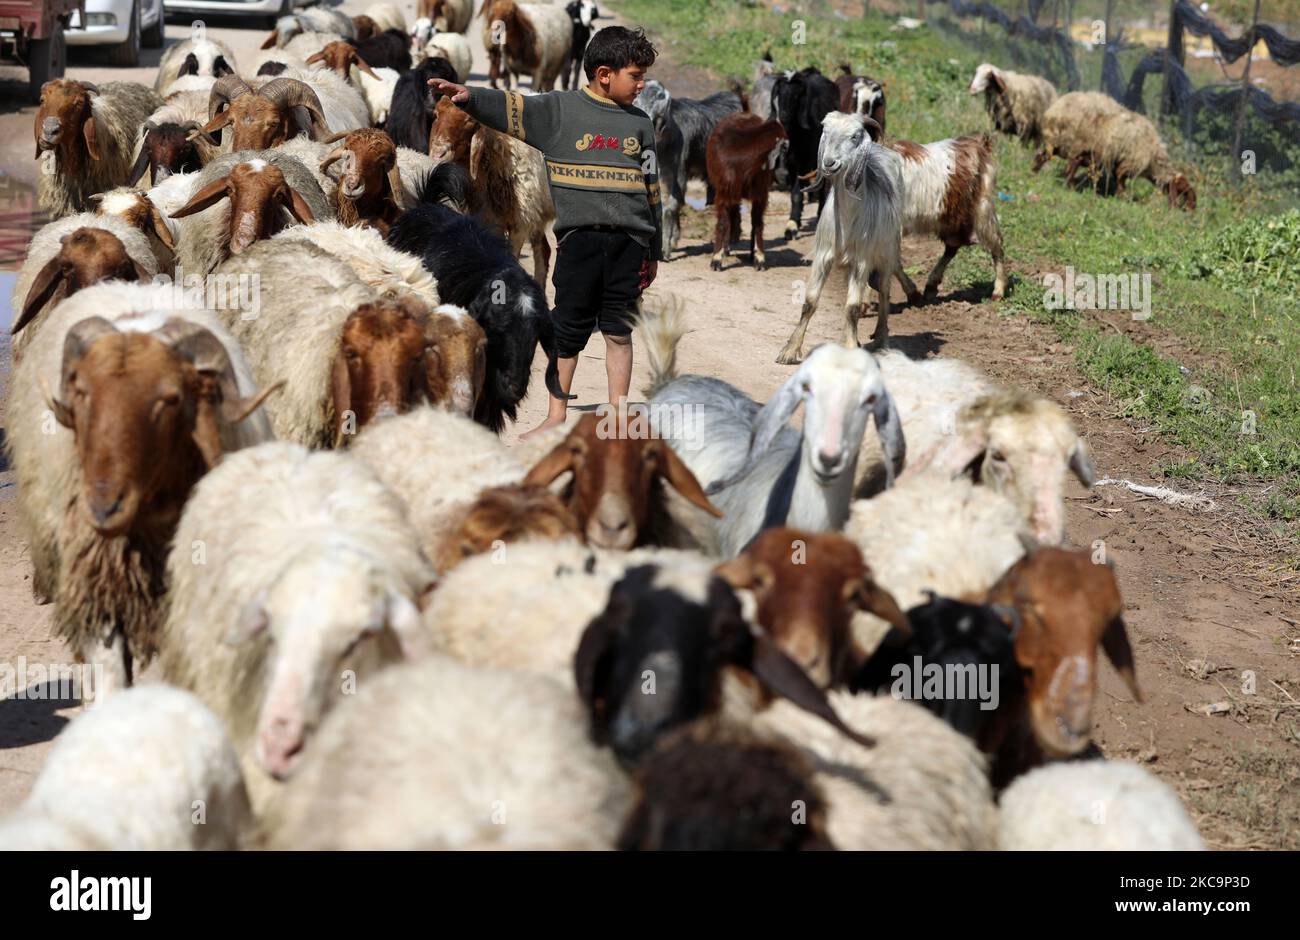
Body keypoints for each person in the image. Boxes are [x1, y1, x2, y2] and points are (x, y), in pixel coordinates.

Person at [429, 26, 662, 438]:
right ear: (605, 74)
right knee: (567, 332)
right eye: (636, 76)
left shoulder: (641, 125)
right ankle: (556, 414)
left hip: (630, 244)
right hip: (580, 244)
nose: (642, 84)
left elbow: (652, 190)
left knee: (619, 332)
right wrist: (470, 97)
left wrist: (653, 249)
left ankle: (618, 414)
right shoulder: (559, 112)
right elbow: (515, 107)